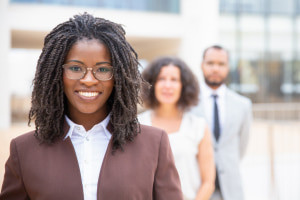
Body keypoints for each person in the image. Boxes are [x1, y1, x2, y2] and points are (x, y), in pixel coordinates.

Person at [0, 13, 183, 200]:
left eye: (103, 69)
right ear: (57, 74)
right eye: (75, 68)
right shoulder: (23, 151)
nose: (88, 80)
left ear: (117, 76)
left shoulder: (154, 143)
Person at [139, 56, 215, 200]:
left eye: (174, 80)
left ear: (183, 86)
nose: (168, 85)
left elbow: (208, 183)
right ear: (152, 84)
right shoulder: (137, 126)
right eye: (162, 79)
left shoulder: (198, 126)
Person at [192, 45, 252, 200]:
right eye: (210, 63)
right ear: (202, 65)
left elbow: (242, 145)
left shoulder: (243, 105)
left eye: (221, 64)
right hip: (197, 188)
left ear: (228, 67)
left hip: (231, 189)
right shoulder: (188, 103)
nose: (215, 69)